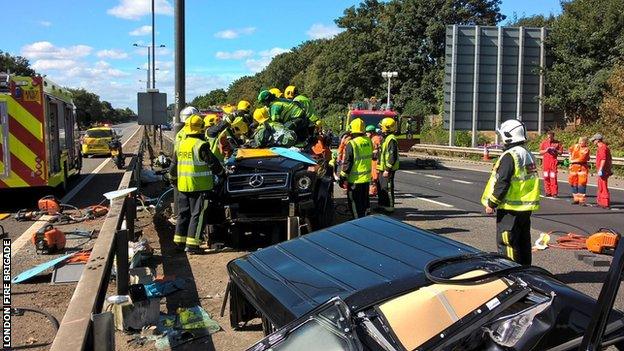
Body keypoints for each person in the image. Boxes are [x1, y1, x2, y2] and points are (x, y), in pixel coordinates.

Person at [481, 119, 540, 265]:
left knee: (507, 242)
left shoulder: (510, 155)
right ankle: (525, 271)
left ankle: (510, 273)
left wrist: (492, 203)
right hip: (524, 207)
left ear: (509, 136)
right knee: (522, 242)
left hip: (509, 209)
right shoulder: (526, 153)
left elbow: (503, 182)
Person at [170, 115, 225, 254]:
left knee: (183, 214)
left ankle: (179, 242)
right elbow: (213, 163)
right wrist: (223, 174)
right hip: (200, 187)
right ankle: (193, 245)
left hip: (183, 186)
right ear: (201, 128)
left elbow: (173, 166)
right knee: (198, 215)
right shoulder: (201, 145)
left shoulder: (181, 144)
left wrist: (173, 179)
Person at [169, 106, 199, 226]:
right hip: (195, 178)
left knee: (184, 210)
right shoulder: (193, 135)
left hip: (182, 176)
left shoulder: (180, 133)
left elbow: (176, 157)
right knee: (195, 212)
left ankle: (180, 239)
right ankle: (193, 239)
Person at [339, 118, 373, 219]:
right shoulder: (368, 141)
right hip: (366, 179)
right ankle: (365, 218)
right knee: (364, 201)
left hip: (354, 180)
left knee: (354, 202)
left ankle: (356, 221)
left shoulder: (352, 143)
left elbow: (347, 163)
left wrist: (343, 177)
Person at [376, 118, 399, 213]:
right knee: (381, 188)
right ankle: (382, 206)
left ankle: (389, 207)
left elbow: (392, 156)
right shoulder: (386, 138)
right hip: (382, 168)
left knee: (387, 188)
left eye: (382, 127)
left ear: (387, 128)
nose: (380, 129)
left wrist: (387, 169)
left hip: (387, 169)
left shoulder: (391, 139)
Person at [539, 131, 563, 197]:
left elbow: (561, 152)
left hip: (553, 163)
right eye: (548, 137)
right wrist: (546, 150)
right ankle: (548, 192)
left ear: (553, 136)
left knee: (553, 177)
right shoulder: (544, 143)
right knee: (546, 177)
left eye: (551, 137)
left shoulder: (557, 143)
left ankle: (554, 193)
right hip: (546, 163)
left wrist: (555, 150)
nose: (549, 138)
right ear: (547, 136)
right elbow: (540, 152)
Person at [591, 133, 612, 209]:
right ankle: (600, 202)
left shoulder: (602, 147)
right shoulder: (602, 147)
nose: (593, 141)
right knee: (600, 186)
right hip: (604, 169)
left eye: (594, 140)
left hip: (603, 170)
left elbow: (603, 159)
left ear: (597, 140)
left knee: (603, 186)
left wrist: (600, 169)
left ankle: (605, 203)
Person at [568, 137, 590, 205]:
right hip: (573, 168)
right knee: (573, 183)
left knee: (582, 184)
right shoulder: (575, 146)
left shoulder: (586, 149)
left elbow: (581, 159)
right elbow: (569, 150)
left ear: (585, 142)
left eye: (582, 142)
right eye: (579, 141)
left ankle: (581, 201)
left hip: (582, 168)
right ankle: (576, 199)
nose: (580, 143)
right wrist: (570, 158)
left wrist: (572, 161)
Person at [366, 125, 382, 196]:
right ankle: (373, 190)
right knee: (372, 176)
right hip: (373, 160)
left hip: (375, 160)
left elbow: (378, 150)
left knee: (374, 176)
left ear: (371, 132)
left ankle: (373, 191)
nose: (366, 134)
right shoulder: (372, 138)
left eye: (367, 132)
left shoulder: (376, 139)